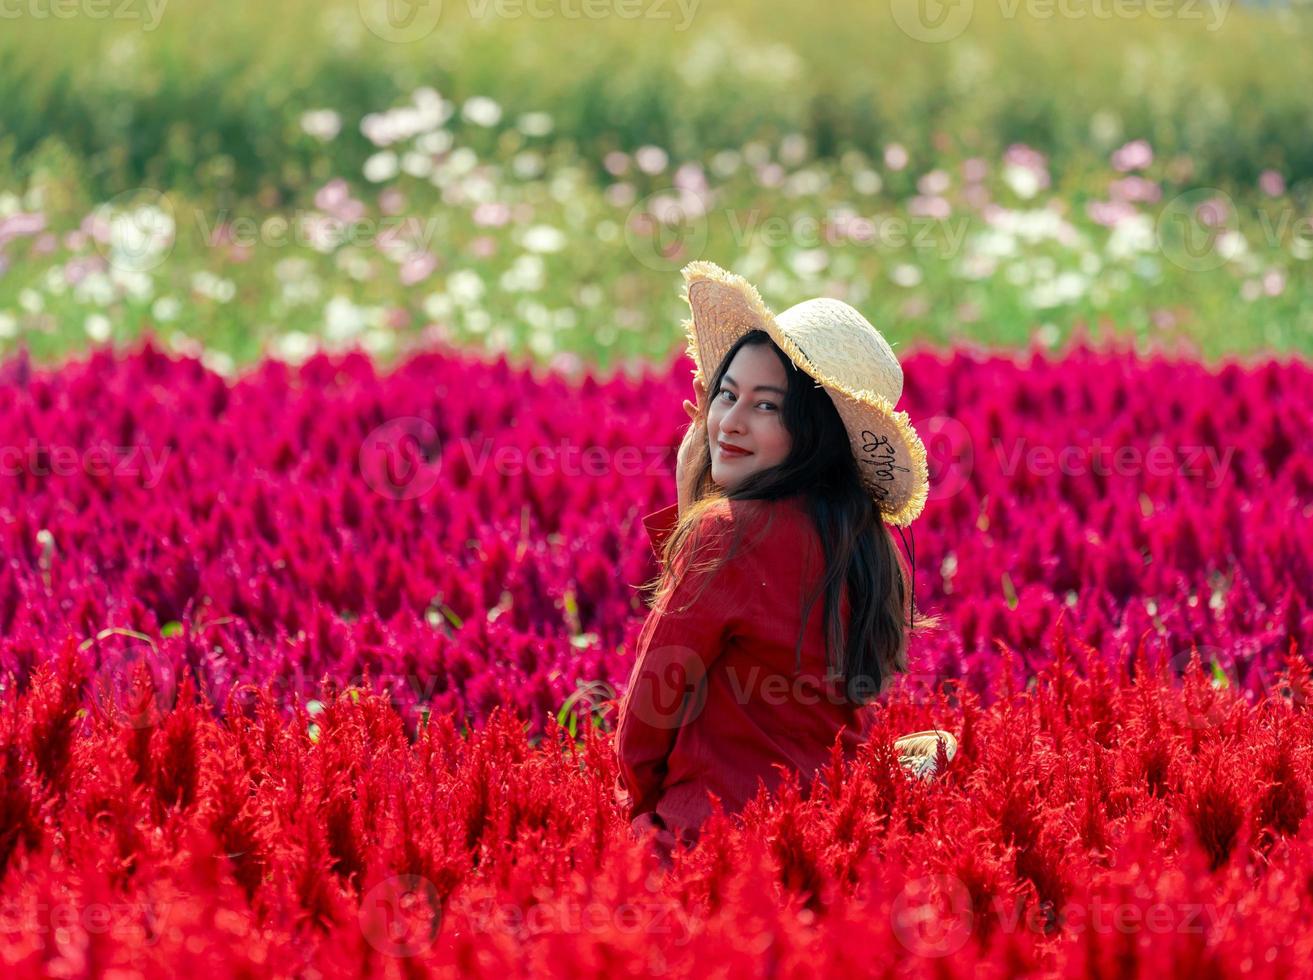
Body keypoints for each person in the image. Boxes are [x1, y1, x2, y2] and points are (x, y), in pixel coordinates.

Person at [613, 260, 957, 867]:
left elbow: (651, 707)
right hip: (828, 824)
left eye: (767, 407)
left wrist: (640, 811)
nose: (731, 422)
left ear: (813, 430)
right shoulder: (866, 547)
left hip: (715, 836)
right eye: (727, 394)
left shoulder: (724, 536)